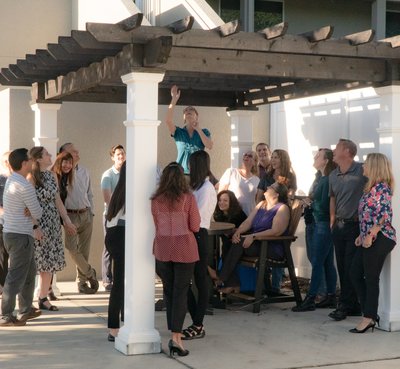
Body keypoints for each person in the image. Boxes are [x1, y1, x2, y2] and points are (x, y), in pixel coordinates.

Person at [151, 162, 201, 357]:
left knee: (169, 292)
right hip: (184, 249)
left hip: (163, 248)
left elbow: (156, 223)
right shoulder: (188, 198)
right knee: (181, 292)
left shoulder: (156, 200)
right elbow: (195, 226)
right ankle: (176, 338)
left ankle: (173, 335)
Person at [214, 182, 290, 294]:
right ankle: (230, 283)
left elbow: (276, 231)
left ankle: (221, 278)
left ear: (276, 194)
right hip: (256, 243)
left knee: (238, 243)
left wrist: (253, 236)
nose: (267, 187)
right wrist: (238, 233)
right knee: (231, 242)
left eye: (271, 187)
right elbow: (248, 222)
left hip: (271, 247)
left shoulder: (282, 208)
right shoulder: (261, 205)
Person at [349, 153, 396, 333]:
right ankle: (369, 312)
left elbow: (384, 215)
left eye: (366, 163)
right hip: (369, 235)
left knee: (371, 278)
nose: (362, 166)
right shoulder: (370, 188)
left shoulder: (382, 188)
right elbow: (367, 216)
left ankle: (369, 317)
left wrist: (370, 234)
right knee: (355, 273)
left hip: (381, 236)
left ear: (374, 166)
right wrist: (362, 235)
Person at [28, 147, 76, 311]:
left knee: (49, 262)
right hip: (39, 223)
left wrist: (67, 221)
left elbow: (58, 200)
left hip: (53, 224)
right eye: (47, 154)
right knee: (36, 262)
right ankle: (26, 300)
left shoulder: (51, 175)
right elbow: (29, 205)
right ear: (39, 159)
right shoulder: (31, 177)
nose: (50, 156)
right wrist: (35, 227)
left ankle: (43, 298)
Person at [0, 148, 43, 326]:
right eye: (30, 160)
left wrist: (28, 209)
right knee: (16, 276)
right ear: (24, 164)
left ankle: (26, 309)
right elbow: (38, 212)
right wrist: (30, 209)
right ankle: (6, 315)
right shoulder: (24, 185)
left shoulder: (12, 180)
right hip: (20, 237)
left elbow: (30, 210)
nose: (33, 163)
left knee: (30, 272)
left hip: (12, 233)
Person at [292, 149, 337, 312]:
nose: (314, 158)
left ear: (325, 161)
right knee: (326, 262)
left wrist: (309, 203)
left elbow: (326, 205)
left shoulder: (326, 180)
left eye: (318, 156)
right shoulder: (324, 178)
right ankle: (331, 296)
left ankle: (311, 298)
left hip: (322, 223)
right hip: (322, 223)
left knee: (318, 261)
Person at [328, 138, 366, 321]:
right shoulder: (333, 175)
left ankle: (345, 305)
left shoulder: (362, 170)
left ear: (348, 151)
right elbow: (332, 198)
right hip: (339, 226)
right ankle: (352, 305)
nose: (333, 150)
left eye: (337, 148)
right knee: (342, 265)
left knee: (351, 267)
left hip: (355, 226)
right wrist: (332, 220)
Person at [181, 150, 217, 341]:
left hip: (199, 235)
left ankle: (198, 323)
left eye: (191, 164)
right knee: (185, 279)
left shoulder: (207, 188)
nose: (189, 168)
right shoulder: (196, 187)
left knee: (200, 279)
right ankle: (196, 320)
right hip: (190, 234)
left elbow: (196, 215)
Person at [255, 149, 297, 294]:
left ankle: (275, 286)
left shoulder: (290, 177)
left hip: (281, 213)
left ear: (283, 159)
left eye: (276, 157)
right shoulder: (266, 176)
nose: (273, 160)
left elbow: (289, 196)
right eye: (272, 157)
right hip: (266, 212)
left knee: (278, 244)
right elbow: (259, 196)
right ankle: (265, 285)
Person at [59, 143, 98, 294]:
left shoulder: (84, 171)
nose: (77, 152)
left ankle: (82, 284)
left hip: (86, 214)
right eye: (73, 151)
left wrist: (91, 212)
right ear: (64, 155)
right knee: (71, 247)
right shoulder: (61, 174)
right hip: (70, 216)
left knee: (84, 250)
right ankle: (90, 273)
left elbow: (89, 193)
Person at [165, 85, 213, 174]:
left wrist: (198, 129)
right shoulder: (178, 132)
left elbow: (209, 146)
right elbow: (168, 120)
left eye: (191, 110)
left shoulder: (204, 131)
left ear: (196, 117)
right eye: (186, 111)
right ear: (184, 117)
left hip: (198, 174)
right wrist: (174, 100)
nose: (188, 111)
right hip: (180, 174)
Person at [104, 161, 126, 342]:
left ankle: (116, 326)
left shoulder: (119, 191)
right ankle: (114, 328)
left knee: (120, 283)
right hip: (121, 235)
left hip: (112, 235)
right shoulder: (130, 192)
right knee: (120, 284)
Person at [101, 144, 126, 292]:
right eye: (118, 155)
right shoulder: (108, 175)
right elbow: (107, 198)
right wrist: (117, 211)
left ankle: (119, 278)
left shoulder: (128, 173)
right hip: (111, 216)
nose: (121, 157)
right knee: (108, 248)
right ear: (112, 157)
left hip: (124, 218)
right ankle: (106, 279)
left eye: (123, 154)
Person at [208, 190, 247, 280]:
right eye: (220, 200)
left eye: (225, 200)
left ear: (231, 202)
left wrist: (233, 233)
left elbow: (244, 229)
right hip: (229, 239)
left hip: (241, 240)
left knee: (227, 246)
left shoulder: (238, 214)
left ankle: (220, 277)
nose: (221, 203)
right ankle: (229, 283)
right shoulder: (218, 214)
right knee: (225, 245)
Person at [218, 151, 260, 216]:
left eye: (250, 156)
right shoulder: (231, 172)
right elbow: (221, 193)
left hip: (249, 215)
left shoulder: (257, 180)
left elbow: (257, 199)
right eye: (245, 155)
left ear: (254, 162)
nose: (246, 156)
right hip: (232, 214)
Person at [0, 151, 11, 294]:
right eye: (6, 161)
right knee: (2, 255)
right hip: (2, 222)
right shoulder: (1, 179)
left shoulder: (23, 180)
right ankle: (1, 286)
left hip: (17, 223)